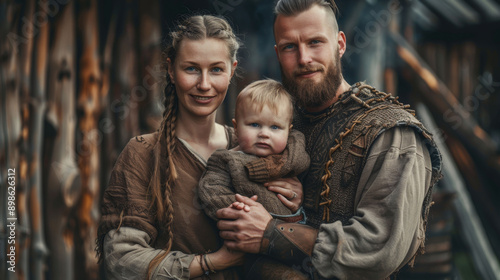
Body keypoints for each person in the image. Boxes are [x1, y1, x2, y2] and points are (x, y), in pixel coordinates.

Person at [216, 1, 443, 279]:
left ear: (340, 44)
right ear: (277, 53)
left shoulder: (393, 134)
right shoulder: (278, 126)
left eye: (315, 42)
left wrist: (270, 233)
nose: (303, 58)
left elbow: (377, 248)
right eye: (289, 47)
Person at [96, 15, 302, 280]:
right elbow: (122, 260)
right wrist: (211, 262)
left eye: (216, 69)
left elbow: (292, 234)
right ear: (171, 70)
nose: (204, 84)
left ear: (231, 70)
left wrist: (292, 202)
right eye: (191, 68)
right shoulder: (143, 154)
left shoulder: (257, 147)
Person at [198, 79, 309, 223]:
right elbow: (210, 192)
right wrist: (243, 209)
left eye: (275, 127)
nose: (264, 133)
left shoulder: (288, 154)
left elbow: (299, 146)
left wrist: (269, 167)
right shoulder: (226, 160)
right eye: (255, 124)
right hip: (248, 229)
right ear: (236, 128)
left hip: (294, 228)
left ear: (288, 131)